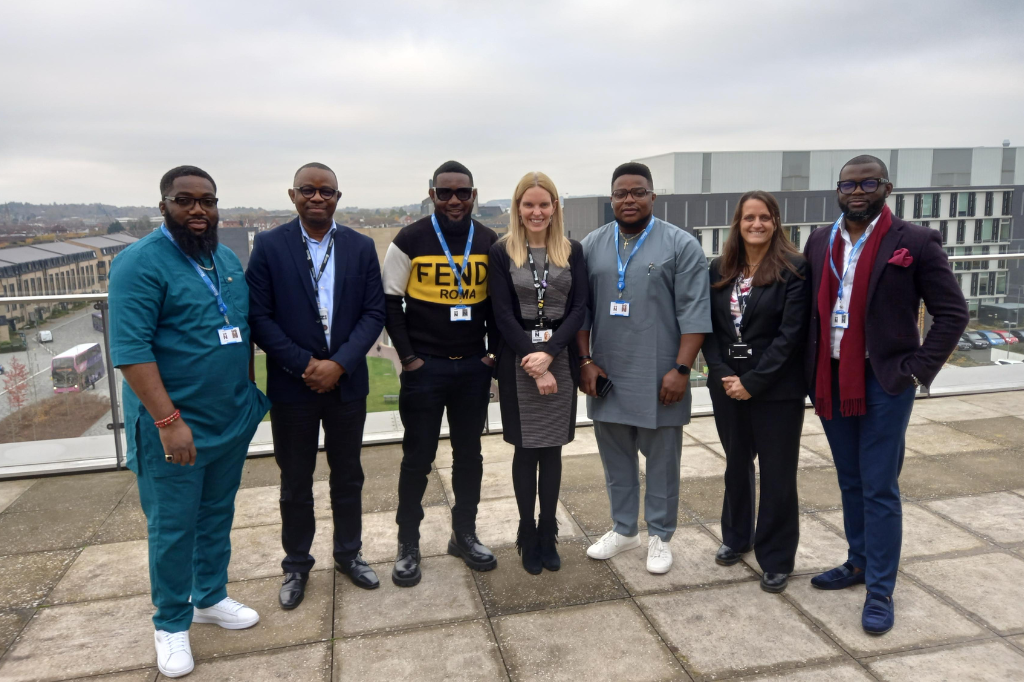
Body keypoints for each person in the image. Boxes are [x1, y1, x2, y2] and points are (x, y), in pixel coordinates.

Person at [109, 166, 271, 678]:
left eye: (207, 201)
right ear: (164, 206)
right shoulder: (139, 264)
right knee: (173, 527)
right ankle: (171, 623)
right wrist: (168, 419)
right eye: (185, 201)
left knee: (216, 515)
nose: (198, 211)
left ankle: (210, 596)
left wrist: (246, 399)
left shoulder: (223, 259)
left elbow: (239, 331)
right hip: (174, 429)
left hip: (227, 421)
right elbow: (131, 352)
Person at [803, 155, 968, 634]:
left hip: (885, 381)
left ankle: (880, 589)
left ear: (886, 187)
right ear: (837, 190)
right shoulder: (820, 239)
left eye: (867, 182)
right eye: (848, 184)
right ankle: (857, 562)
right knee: (850, 480)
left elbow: (952, 314)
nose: (857, 191)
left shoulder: (914, 241)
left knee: (878, 485)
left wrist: (916, 371)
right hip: (831, 379)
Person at [246, 162, 386, 610]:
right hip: (293, 386)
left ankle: (349, 554)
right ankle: (297, 565)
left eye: (327, 191)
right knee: (295, 482)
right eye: (309, 190)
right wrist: (306, 365)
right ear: (293, 195)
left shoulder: (361, 247)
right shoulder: (269, 246)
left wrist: (340, 364)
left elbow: (373, 313)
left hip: (347, 385)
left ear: (338, 197)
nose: (318, 198)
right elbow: (259, 318)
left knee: (348, 476)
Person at [579, 162, 711, 574]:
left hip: (661, 374)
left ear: (653, 196)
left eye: (638, 192)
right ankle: (623, 529)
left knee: (662, 463)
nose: (629, 200)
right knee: (616, 461)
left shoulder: (680, 244)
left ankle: (659, 535)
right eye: (621, 193)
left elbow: (695, 312)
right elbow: (580, 311)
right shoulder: (591, 244)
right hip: (607, 372)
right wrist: (585, 361)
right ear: (611, 199)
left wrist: (682, 370)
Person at [382, 160, 499, 586]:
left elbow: (501, 308)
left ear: (473, 195)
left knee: (470, 457)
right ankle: (408, 543)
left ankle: (463, 535)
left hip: (472, 368)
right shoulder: (409, 238)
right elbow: (390, 302)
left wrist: (492, 356)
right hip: (425, 369)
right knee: (417, 459)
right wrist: (410, 358)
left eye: (462, 193)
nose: (454, 200)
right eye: (445, 192)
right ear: (431, 194)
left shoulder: (489, 241)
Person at [702, 191, 809, 594]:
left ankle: (777, 558)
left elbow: (790, 335)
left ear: (775, 221)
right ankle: (736, 536)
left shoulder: (794, 267)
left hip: (776, 388)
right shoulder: (720, 268)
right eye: (749, 217)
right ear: (738, 223)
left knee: (778, 474)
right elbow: (708, 327)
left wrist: (754, 382)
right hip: (727, 384)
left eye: (764, 217)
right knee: (736, 464)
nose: (756, 224)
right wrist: (725, 374)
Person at [488, 172, 589, 574]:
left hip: (559, 357)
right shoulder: (501, 252)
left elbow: (579, 309)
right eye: (528, 204)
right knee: (525, 450)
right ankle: (527, 534)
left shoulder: (571, 250)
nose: (536, 211)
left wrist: (549, 355)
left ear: (555, 208)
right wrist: (534, 359)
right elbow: (502, 315)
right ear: (517, 209)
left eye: (543, 204)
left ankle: (549, 533)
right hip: (517, 359)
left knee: (552, 451)